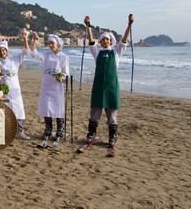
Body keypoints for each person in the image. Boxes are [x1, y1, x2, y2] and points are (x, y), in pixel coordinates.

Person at [82, 14, 134, 155]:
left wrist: (129, 24)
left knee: (112, 115)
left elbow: (124, 40)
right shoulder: (97, 52)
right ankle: (91, 135)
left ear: (111, 41)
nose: (105, 41)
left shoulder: (116, 52)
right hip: (98, 87)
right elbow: (91, 42)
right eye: (103, 39)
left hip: (111, 87)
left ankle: (112, 137)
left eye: (107, 39)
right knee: (94, 114)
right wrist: (88, 26)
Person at [30, 32, 70, 147]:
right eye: (49, 43)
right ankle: (48, 129)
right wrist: (34, 40)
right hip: (46, 86)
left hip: (57, 88)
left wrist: (61, 78)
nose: (51, 45)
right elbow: (33, 53)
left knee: (58, 108)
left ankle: (60, 131)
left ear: (58, 44)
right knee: (46, 107)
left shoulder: (64, 57)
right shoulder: (46, 55)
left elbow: (66, 74)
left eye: (52, 43)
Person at [0, 30, 31, 140]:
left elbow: (26, 51)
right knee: (6, 109)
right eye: (0, 51)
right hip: (4, 90)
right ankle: (7, 131)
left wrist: (24, 38)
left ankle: (20, 132)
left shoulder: (14, 59)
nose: (2, 52)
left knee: (19, 108)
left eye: (4, 50)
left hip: (15, 89)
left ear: (6, 51)